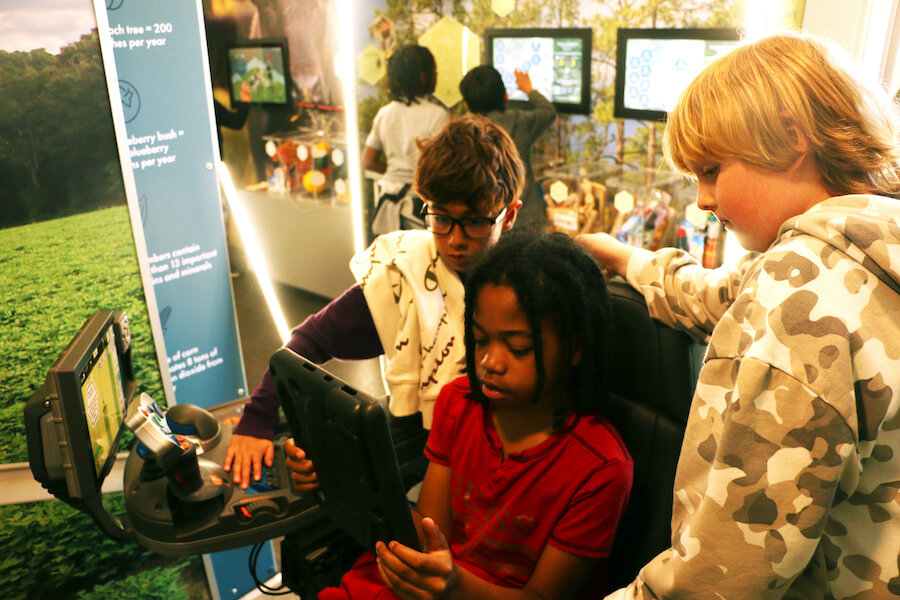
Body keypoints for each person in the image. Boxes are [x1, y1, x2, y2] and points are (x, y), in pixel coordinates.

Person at [576, 32, 900, 599]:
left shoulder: (801, 301)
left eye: (710, 170)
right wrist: (625, 255)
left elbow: (721, 576)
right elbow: (723, 295)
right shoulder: (862, 255)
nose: (702, 200)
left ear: (791, 138)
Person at [311, 231, 633, 599]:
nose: (489, 362)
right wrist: (337, 482)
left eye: (518, 347)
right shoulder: (459, 402)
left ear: (575, 346)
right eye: (480, 340)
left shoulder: (600, 468)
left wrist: (455, 587)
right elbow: (432, 534)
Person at [224, 115, 525, 489]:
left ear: (509, 214)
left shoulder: (529, 286)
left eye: (476, 222)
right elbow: (306, 342)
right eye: (441, 218)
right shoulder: (403, 275)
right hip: (427, 463)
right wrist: (257, 418)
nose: (456, 240)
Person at [364, 44, 450, 234]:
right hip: (419, 207)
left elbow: (368, 161)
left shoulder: (384, 113)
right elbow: (442, 168)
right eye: (433, 71)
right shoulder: (438, 115)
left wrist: (396, 171)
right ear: (423, 76)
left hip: (387, 204)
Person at [460, 65, 556, 232]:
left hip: (486, 224)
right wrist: (529, 89)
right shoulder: (520, 121)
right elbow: (548, 111)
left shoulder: (463, 133)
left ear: (467, 104)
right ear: (505, 96)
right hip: (527, 219)